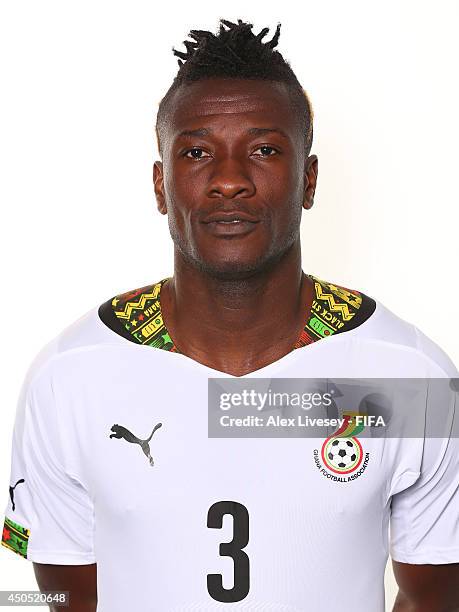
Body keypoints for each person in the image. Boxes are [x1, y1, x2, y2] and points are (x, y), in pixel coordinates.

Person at [2, 17, 459, 612]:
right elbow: (65, 598)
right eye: (197, 152)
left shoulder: (410, 380)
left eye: (264, 150)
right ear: (162, 186)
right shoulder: (68, 377)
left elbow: (436, 597)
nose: (229, 181)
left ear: (309, 180)